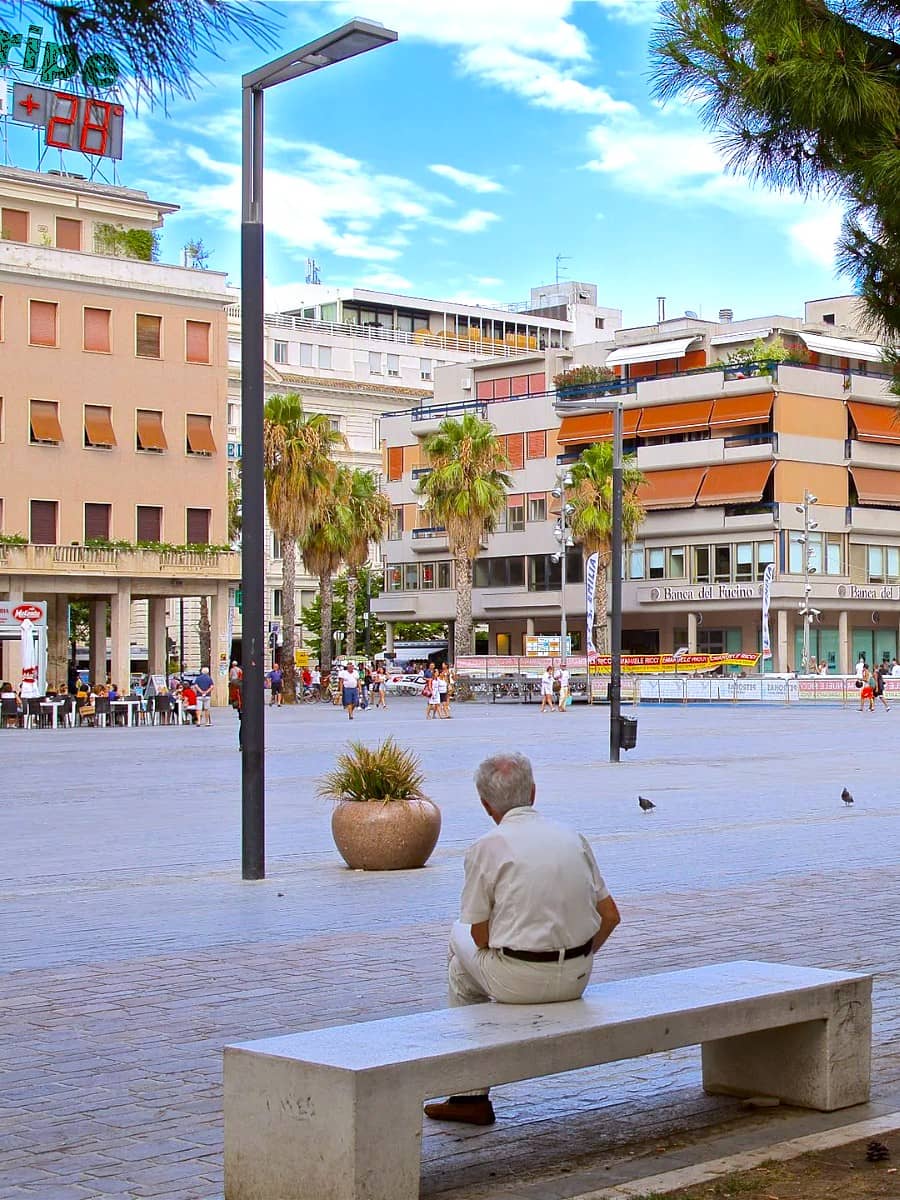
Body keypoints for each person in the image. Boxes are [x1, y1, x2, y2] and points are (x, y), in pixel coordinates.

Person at [423, 753, 621, 1126]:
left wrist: (517, 943)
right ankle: (468, 1094)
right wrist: (574, 955)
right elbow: (610, 917)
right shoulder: (573, 837)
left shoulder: (486, 847)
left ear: (486, 805)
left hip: (517, 982)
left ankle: (468, 1094)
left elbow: (479, 935)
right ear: (533, 792)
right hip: (578, 977)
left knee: (457, 947)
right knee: (466, 964)